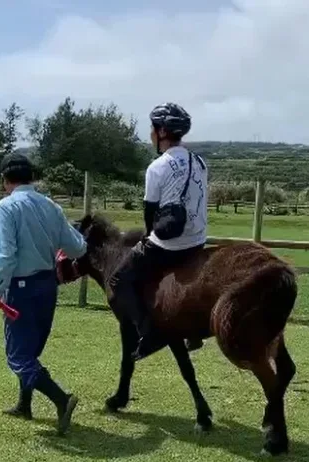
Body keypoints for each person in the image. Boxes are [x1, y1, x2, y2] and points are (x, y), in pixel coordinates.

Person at [0, 153, 87, 436]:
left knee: (18, 356)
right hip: (47, 286)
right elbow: (77, 248)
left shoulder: (6, 208)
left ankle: (62, 399)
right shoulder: (51, 206)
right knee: (30, 351)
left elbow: (4, 254)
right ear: (31, 177)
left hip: (21, 288)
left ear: (5, 180)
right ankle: (24, 405)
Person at [107, 102, 208, 361]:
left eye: (152, 128)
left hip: (169, 245)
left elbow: (150, 215)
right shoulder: (200, 162)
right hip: (197, 241)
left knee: (118, 280)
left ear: (161, 132)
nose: (150, 133)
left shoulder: (157, 167)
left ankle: (148, 331)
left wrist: (147, 237)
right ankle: (192, 329)